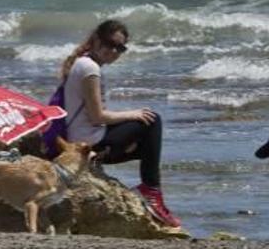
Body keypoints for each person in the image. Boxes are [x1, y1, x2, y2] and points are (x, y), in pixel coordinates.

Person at [58, 19, 181, 227]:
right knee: (151, 120)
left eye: (120, 47)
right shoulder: (90, 69)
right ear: (96, 40)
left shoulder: (83, 62)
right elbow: (98, 116)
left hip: (86, 139)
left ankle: (150, 191)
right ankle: (151, 191)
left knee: (147, 146)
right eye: (109, 44)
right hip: (87, 146)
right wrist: (132, 114)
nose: (113, 51)